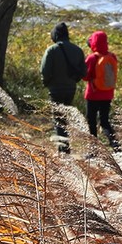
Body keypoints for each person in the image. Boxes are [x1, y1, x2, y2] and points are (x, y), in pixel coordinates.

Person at [40, 22, 86, 154]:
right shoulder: (78, 50)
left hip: (55, 89)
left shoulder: (51, 50)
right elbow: (83, 71)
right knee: (64, 118)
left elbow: (44, 71)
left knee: (59, 119)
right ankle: (64, 147)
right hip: (71, 89)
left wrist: (46, 83)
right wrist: (73, 81)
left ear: (55, 35)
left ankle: (63, 150)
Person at [83, 30, 120, 151]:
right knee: (105, 121)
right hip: (107, 94)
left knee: (91, 122)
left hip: (93, 95)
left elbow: (85, 76)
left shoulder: (92, 58)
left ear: (93, 42)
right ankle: (116, 146)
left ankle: (93, 150)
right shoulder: (112, 57)